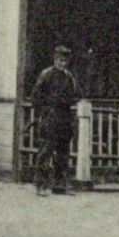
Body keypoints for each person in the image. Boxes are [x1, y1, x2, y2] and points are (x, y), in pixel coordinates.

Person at [29, 45, 79, 196]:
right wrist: (43, 113)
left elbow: (75, 95)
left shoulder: (69, 77)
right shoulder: (46, 74)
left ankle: (59, 185)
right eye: (60, 60)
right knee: (45, 152)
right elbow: (35, 97)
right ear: (55, 60)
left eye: (65, 61)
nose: (63, 64)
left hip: (64, 118)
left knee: (63, 153)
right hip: (50, 117)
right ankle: (40, 185)